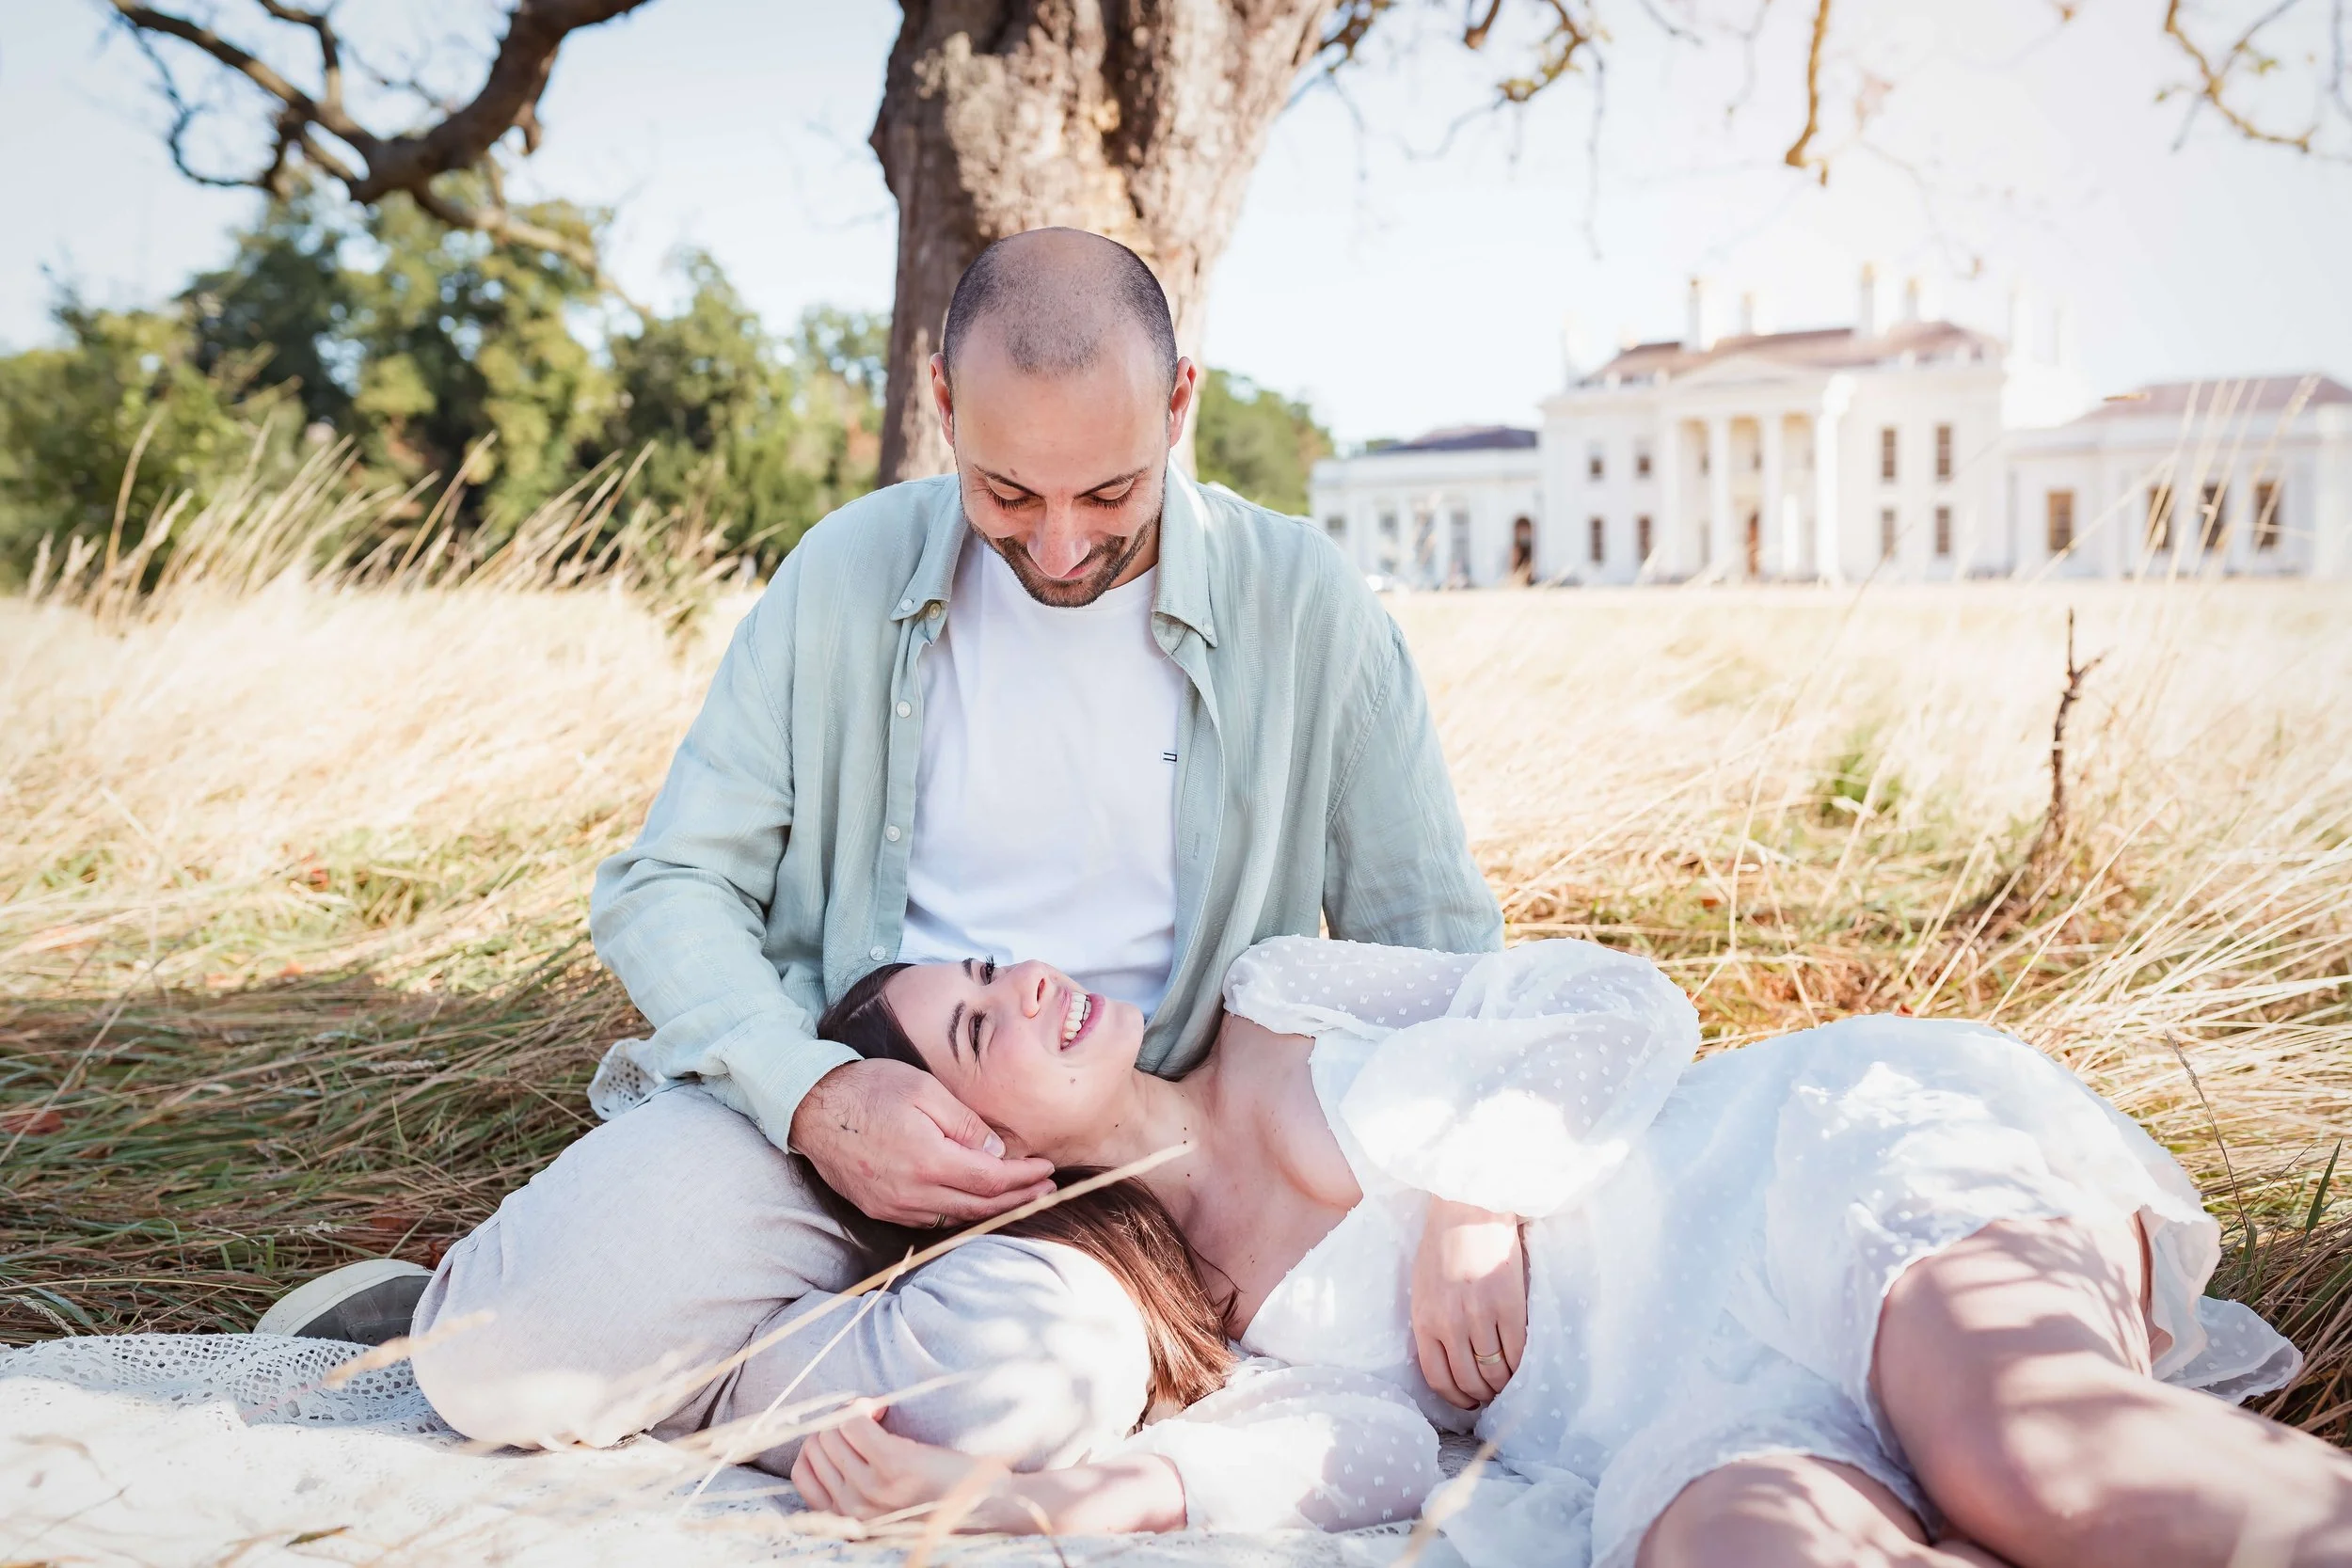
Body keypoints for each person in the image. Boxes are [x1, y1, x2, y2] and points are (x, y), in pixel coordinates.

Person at [263, 225, 1513, 1462]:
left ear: (1179, 402)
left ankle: (687, 1364)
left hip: (1109, 1203)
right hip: (815, 1116)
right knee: (501, 1358)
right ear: (942, 402)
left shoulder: (1304, 602)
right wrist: (815, 1096)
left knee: (1038, 1387)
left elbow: (1440, 944)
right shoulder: (846, 572)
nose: (1063, 545)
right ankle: (544, 1309)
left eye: (1110, 492)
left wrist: (1474, 1181)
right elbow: (670, 885)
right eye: (1009, 492)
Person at [777, 938, 2344, 1568]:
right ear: (983, 1154)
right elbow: (1372, 1447)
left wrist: (1477, 1193)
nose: (1030, 982)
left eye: (987, 962)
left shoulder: (1279, 998)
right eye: (979, 1024)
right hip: (1677, 1421)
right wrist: (1033, 1496)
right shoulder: (1207, 1328)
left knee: (2039, 1463)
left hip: (1789, 1185)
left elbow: (1618, 999)